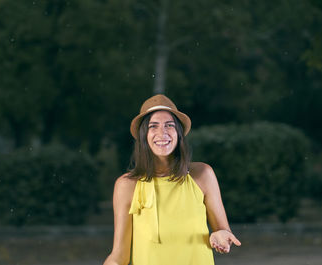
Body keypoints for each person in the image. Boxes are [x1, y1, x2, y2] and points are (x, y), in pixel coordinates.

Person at [103, 94, 241, 265]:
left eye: (169, 125)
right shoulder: (127, 185)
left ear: (179, 133)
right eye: (153, 126)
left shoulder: (203, 175)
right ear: (144, 135)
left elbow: (222, 230)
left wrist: (221, 235)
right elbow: (119, 257)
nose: (162, 133)